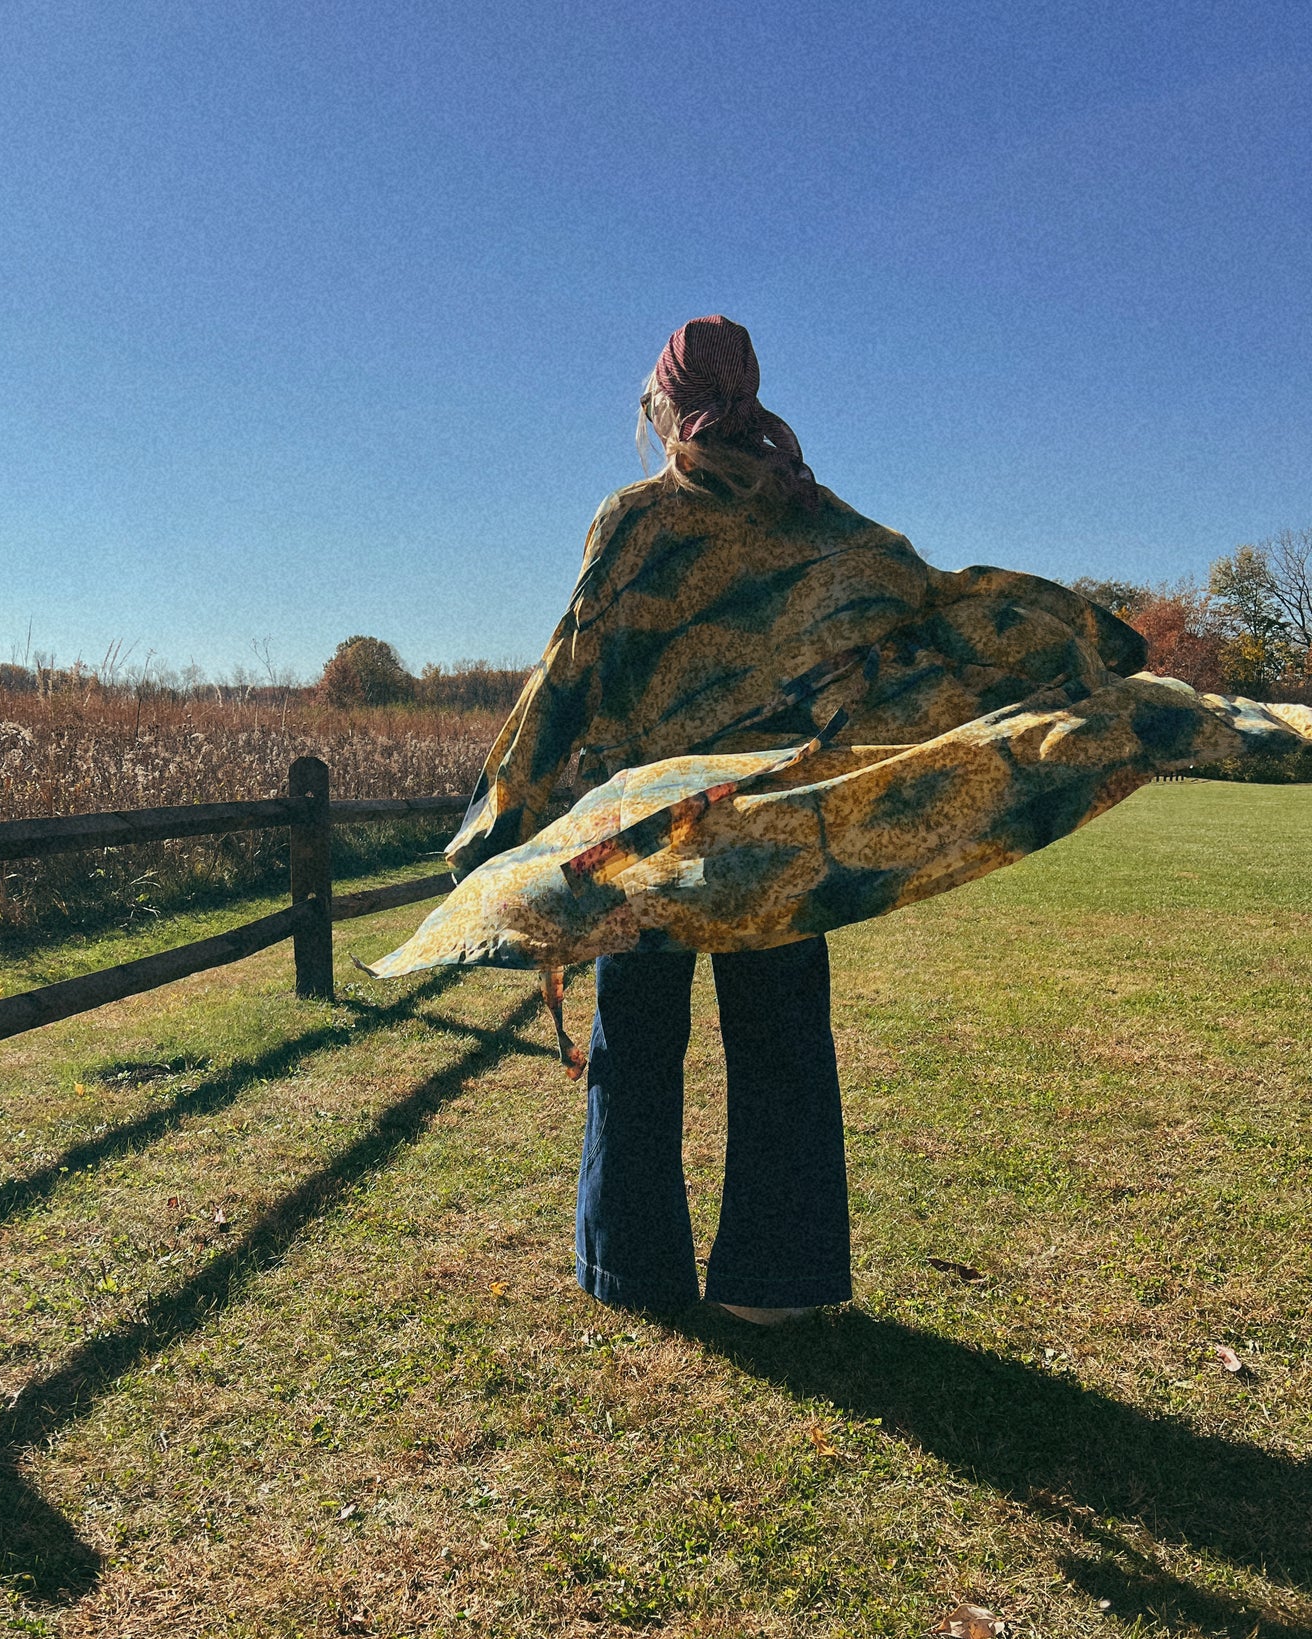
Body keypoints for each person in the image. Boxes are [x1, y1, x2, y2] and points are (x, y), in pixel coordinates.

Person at [369, 316, 1312, 1321]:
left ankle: (630, 1269)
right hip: (784, 836)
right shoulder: (814, 517)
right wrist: (1078, 651)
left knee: (636, 1046)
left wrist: (497, 819)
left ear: (661, 406)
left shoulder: (635, 519)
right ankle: (777, 1288)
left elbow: (569, 672)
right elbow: (937, 606)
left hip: (644, 839)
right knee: (781, 1047)